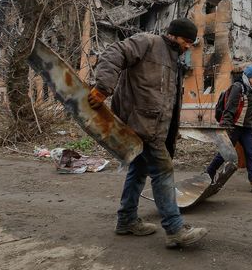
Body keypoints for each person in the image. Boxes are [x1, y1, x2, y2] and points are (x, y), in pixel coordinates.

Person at [87, 18, 208, 249]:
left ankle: (126, 220)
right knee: (163, 171)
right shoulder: (148, 42)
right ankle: (174, 229)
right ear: (174, 35)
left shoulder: (175, 62)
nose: (188, 46)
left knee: (139, 170)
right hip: (140, 123)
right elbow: (114, 52)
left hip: (153, 127)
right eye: (187, 41)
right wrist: (103, 87)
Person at [206, 65, 252, 193]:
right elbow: (229, 109)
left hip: (247, 129)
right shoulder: (238, 87)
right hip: (234, 127)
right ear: (248, 76)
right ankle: (208, 173)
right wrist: (225, 128)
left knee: (251, 152)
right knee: (225, 153)